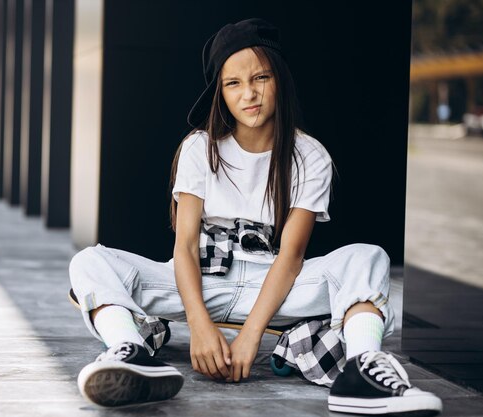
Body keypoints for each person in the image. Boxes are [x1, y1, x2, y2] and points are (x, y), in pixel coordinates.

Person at [69, 18, 443, 416]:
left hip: (272, 283)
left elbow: (292, 257)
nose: (249, 94)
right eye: (233, 83)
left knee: (368, 258)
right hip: (200, 283)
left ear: (278, 79)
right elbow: (186, 249)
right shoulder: (200, 148)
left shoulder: (310, 155)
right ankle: (130, 352)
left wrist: (251, 337)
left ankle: (362, 373)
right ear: (221, 94)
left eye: (260, 77)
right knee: (90, 262)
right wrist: (199, 327)